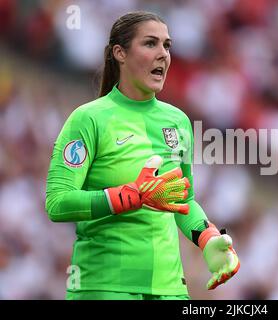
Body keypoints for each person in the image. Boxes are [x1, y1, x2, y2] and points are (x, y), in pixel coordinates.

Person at [45, 11, 240, 300]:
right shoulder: (88, 119)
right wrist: (124, 197)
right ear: (120, 53)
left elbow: (182, 199)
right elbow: (57, 203)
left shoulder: (178, 122)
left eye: (167, 46)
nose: (163, 54)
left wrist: (207, 238)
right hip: (104, 286)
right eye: (151, 43)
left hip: (170, 289)